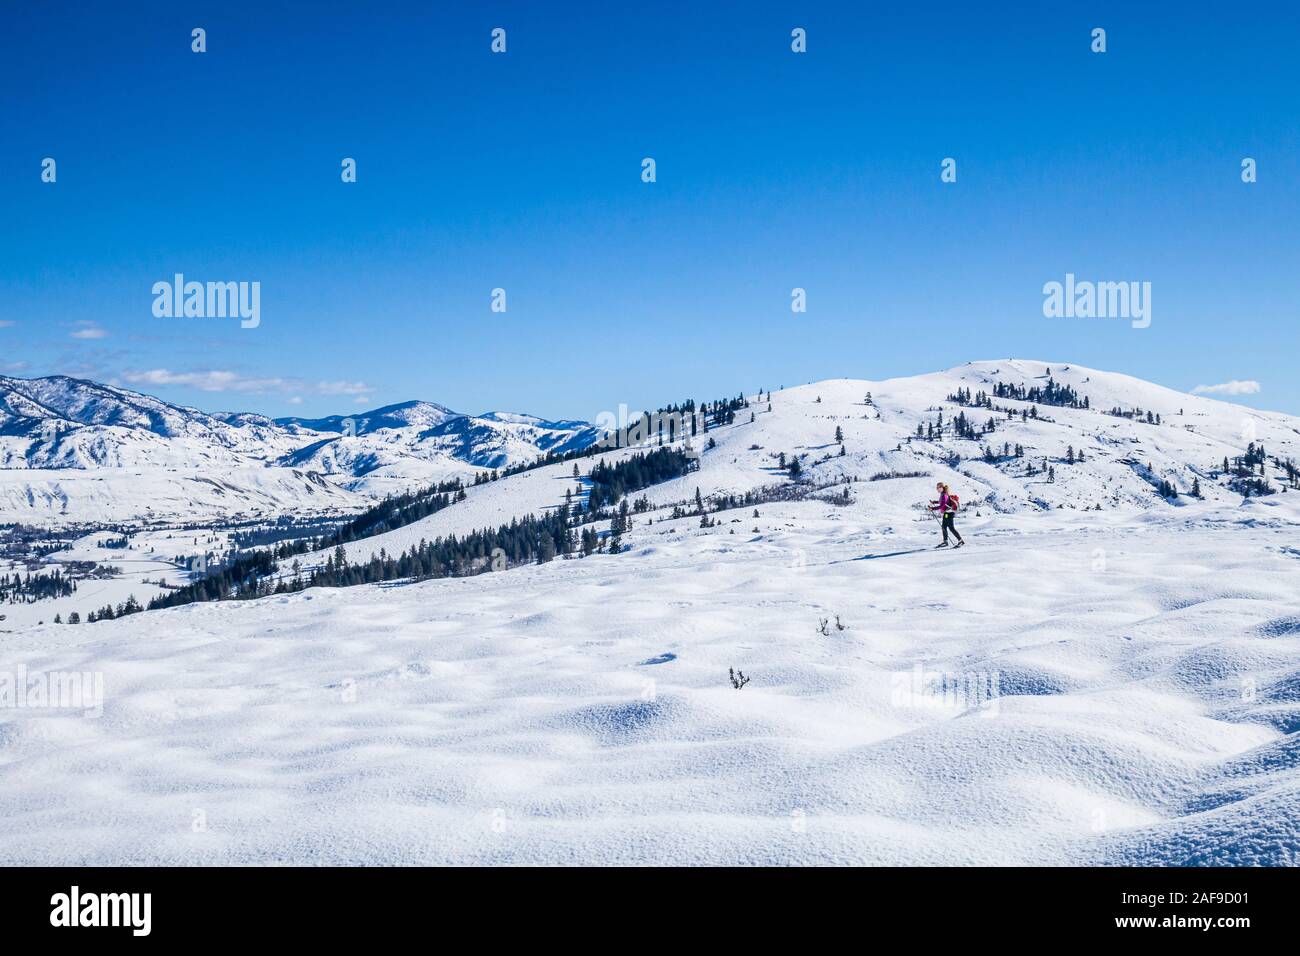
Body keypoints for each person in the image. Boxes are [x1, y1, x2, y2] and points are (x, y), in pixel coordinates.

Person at [928, 481, 964, 548]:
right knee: (944, 527)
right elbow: (940, 502)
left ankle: (960, 540)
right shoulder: (942, 494)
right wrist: (934, 502)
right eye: (937, 488)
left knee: (951, 528)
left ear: (941, 488)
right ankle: (945, 541)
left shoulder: (944, 495)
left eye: (938, 487)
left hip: (950, 513)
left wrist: (932, 508)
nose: (937, 489)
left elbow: (942, 505)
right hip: (946, 513)